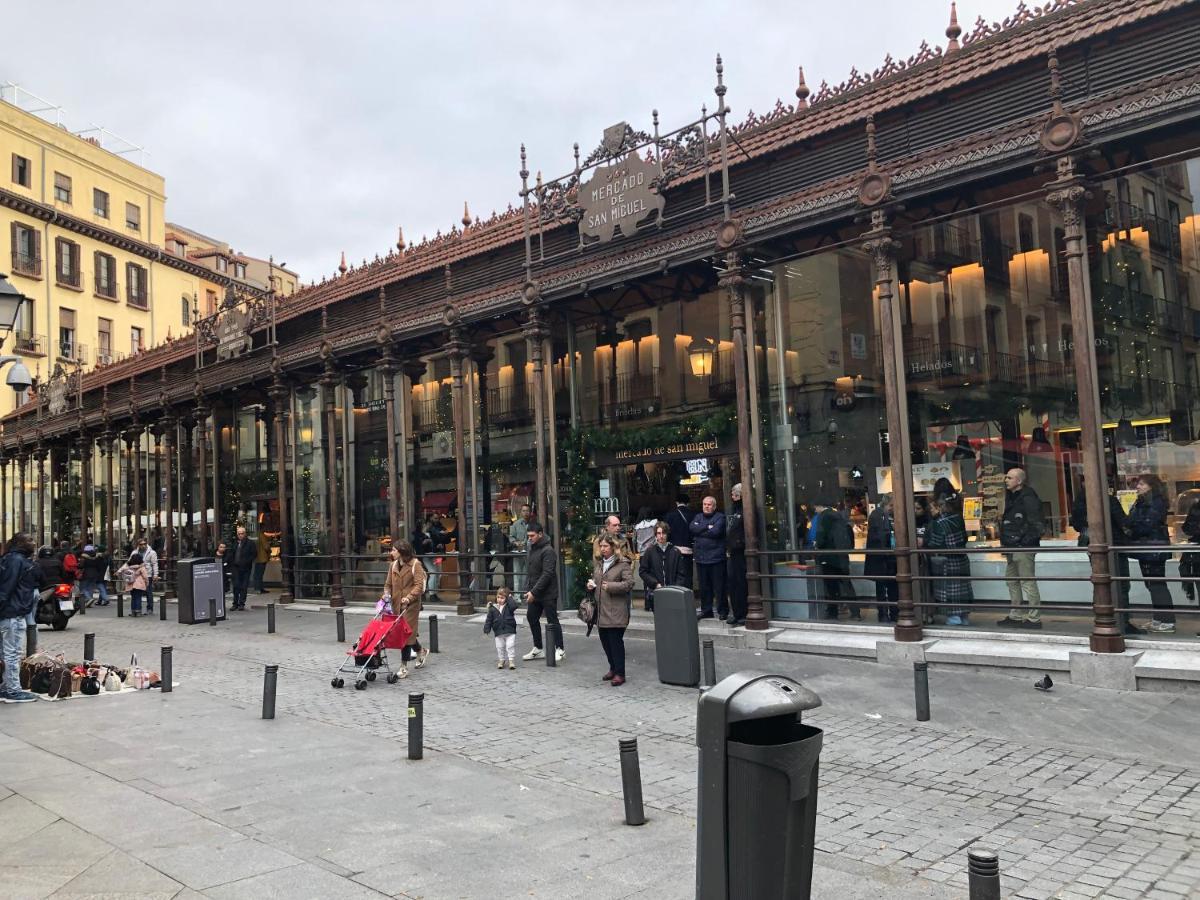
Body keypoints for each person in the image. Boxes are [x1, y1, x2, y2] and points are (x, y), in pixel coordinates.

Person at [1070, 479, 1141, 636]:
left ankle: (1101, 616)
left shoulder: (1080, 502)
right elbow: (1123, 520)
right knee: (1120, 583)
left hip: (1092, 545)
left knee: (1100, 581)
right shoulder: (1109, 500)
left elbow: (1075, 524)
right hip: (1113, 544)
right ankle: (1122, 620)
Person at [1127, 474, 1175, 634]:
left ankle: (1167, 621)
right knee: (1151, 584)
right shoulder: (1143, 501)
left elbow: (1147, 523)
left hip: (1153, 547)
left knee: (1157, 583)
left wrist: (1131, 530)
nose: (1138, 487)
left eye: (1141, 484)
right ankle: (1159, 618)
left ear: (1151, 486)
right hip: (1147, 547)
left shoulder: (1155, 501)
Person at [997, 468, 1044, 629]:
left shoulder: (1028, 498)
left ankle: (1034, 618)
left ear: (1019, 481)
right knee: (1012, 580)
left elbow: (1037, 524)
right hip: (1013, 546)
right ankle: (1016, 614)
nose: (1006, 480)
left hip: (1021, 546)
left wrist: (1023, 542)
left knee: (1027, 581)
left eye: (1009, 478)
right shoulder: (1013, 496)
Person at [0, 533, 40, 703]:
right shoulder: (15, 560)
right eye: (30, 540)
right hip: (13, 613)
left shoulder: (13, 559)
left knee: (6, 652)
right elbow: (6, 588)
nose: (34, 542)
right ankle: (13, 690)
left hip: (11, 612)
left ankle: (6, 687)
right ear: (20, 543)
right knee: (13, 653)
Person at [589, 536, 634, 686]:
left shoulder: (623, 564)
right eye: (601, 546)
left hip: (616, 612)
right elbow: (597, 581)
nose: (602, 549)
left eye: (605, 546)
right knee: (605, 643)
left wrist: (612, 586)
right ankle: (613, 668)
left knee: (615, 643)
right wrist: (591, 585)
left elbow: (629, 583)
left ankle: (620, 673)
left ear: (613, 548)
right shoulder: (599, 564)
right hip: (601, 611)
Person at [383, 540, 429, 676]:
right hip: (396, 604)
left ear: (402, 551)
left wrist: (409, 597)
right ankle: (421, 650)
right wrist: (386, 594)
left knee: (405, 634)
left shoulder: (416, 564)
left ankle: (403, 666)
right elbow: (388, 584)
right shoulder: (393, 566)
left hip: (411, 604)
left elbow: (419, 585)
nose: (391, 552)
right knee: (408, 633)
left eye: (394, 550)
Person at [925, 493, 973, 625]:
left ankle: (954, 618)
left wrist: (925, 541)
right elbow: (964, 538)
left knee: (950, 591)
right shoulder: (959, 518)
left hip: (947, 562)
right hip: (961, 559)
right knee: (962, 591)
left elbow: (935, 543)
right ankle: (964, 618)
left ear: (941, 506)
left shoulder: (939, 523)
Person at [521, 522, 564, 661]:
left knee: (552, 620)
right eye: (528, 536)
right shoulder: (532, 548)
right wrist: (528, 589)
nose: (530, 538)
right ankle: (538, 648)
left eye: (532, 536)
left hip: (548, 593)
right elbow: (531, 571)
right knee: (531, 617)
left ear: (540, 534)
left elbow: (547, 574)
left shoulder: (548, 550)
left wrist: (533, 592)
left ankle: (560, 649)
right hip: (535, 592)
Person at [814, 499, 854, 620]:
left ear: (819, 505)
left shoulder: (823, 517)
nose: (815, 510)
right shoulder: (839, 515)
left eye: (815, 507)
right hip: (841, 556)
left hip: (828, 556)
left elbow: (821, 537)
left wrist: (817, 544)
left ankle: (832, 612)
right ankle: (856, 611)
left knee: (830, 586)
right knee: (847, 584)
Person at [690, 496, 727, 620]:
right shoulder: (697, 517)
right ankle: (706, 610)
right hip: (701, 559)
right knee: (704, 587)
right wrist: (707, 526)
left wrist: (701, 529)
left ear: (714, 506)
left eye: (709, 504)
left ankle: (723, 610)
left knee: (719, 587)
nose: (706, 506)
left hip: (716, 558)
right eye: (704, 504)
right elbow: (692, 528)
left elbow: (716, 532)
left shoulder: (720, 517)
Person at [865, 494, 898, 624]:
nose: (893, 509)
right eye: (892, 506)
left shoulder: (878, 515)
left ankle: (888, 614)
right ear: (888, 504)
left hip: (884, 558)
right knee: (886, 588)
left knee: (887, 588)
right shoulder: (878, 516)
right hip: (883, 558)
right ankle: (887, 614)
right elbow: (881, 537)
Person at [638, 521, 685, 613]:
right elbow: (643, 571)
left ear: (667, 534)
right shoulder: (650, 551)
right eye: (659, 533)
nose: (661, 536)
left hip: (673, 592)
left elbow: (681, 574)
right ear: (655, 535)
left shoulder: (675, 551)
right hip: (656, 592)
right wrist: (655, 584)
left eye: (663, 533)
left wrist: (675, 587)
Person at [725, 484, 748, 626]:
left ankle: (743, 613)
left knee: (741, 583)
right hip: (732, 551)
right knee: (733, 584)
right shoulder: (734, 511)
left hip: (740, 552)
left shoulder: (745, 510)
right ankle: (737, 612)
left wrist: (740, 543)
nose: (732, 498)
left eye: (734, 495)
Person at [483, 585, 519, 670]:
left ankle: (511, 660)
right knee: (500, 647)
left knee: (510, 646)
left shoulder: (509, 606)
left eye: (502, 598)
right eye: (498, 597)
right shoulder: (493, 608)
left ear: (506, 598)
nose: (500, 599)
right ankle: (501, 660)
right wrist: (486, 629)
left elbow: (514, 606)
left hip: (510, 631)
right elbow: (489, 620)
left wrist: (510, 597)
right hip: (498, 632)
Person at [667, 494, 694, 587]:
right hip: (689, 550)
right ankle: (688, 597)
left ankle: (677, 597)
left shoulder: (670, 516)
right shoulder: (693, 515)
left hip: (674, 550)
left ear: (676, 502)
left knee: (675, 575)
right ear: (688, 503)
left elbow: (667, 534)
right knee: (688, 576)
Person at [229, 526, 255, 611]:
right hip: (235, 567)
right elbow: (231, 553)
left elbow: (254, 554)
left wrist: (247, 562)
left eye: (242, 533)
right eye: (239, 534)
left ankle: (241, 603)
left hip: (246, 568)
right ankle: (235, 603)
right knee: (236, 585)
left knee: (244, 586)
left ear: (245, 533)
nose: (240, 535)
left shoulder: (250, 543)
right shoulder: (235, 543)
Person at [509, 503, 531, 594]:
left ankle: (525, 594)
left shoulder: (533, 524)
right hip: (518, 552)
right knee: (517, 574)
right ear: (521, 512)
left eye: (527, 511)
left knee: (527, 574)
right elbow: (511, 537)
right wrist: (515, 542)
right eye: (524, 511)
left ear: (530, 512)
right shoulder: (516, 524)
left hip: (530, 553)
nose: (526, 513)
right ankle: (517, 596)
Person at [134, 537, 158, 614]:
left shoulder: (152, 552)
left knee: (148, 592)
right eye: (141, 544)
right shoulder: (135, 552)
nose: (143, 545)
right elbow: (129, 562)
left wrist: (155, 575)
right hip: (138, 575)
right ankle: (138, 609)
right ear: (138, 545)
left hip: (148, 574)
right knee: (138, 592)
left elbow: (154, 564)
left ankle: (149, 609)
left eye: (145, 544)